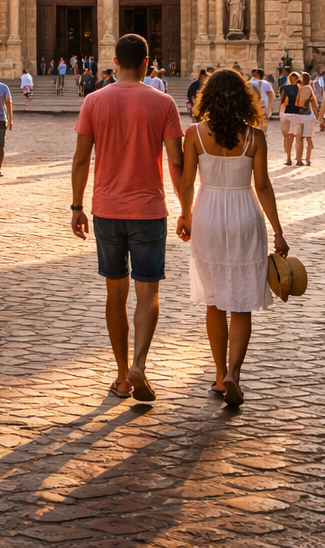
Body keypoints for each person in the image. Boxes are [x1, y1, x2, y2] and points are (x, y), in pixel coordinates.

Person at [70, 33, 185, 402]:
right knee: (147, 292)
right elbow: (176, 161)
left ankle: (121, 377)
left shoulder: (93, 101)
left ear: (115, 62)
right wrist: (187, 207)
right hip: (149, 211)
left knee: (115, 292)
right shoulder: (164, 103)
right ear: (148, 63)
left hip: (105, 210)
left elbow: (80, 159)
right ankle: (139, 363)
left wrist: (76, 206)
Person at [176, 68, 288, 407]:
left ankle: (218, 372)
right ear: (244, 98)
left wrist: (185, 214)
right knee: (241, 301)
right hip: (244, 214)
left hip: (208, 213)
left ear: (207, 98)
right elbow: (263, 186)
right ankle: (234, 374)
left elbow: (186, 182)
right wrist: (278, 232)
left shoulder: (194, 134)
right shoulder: (255, 137)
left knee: (215, 300)